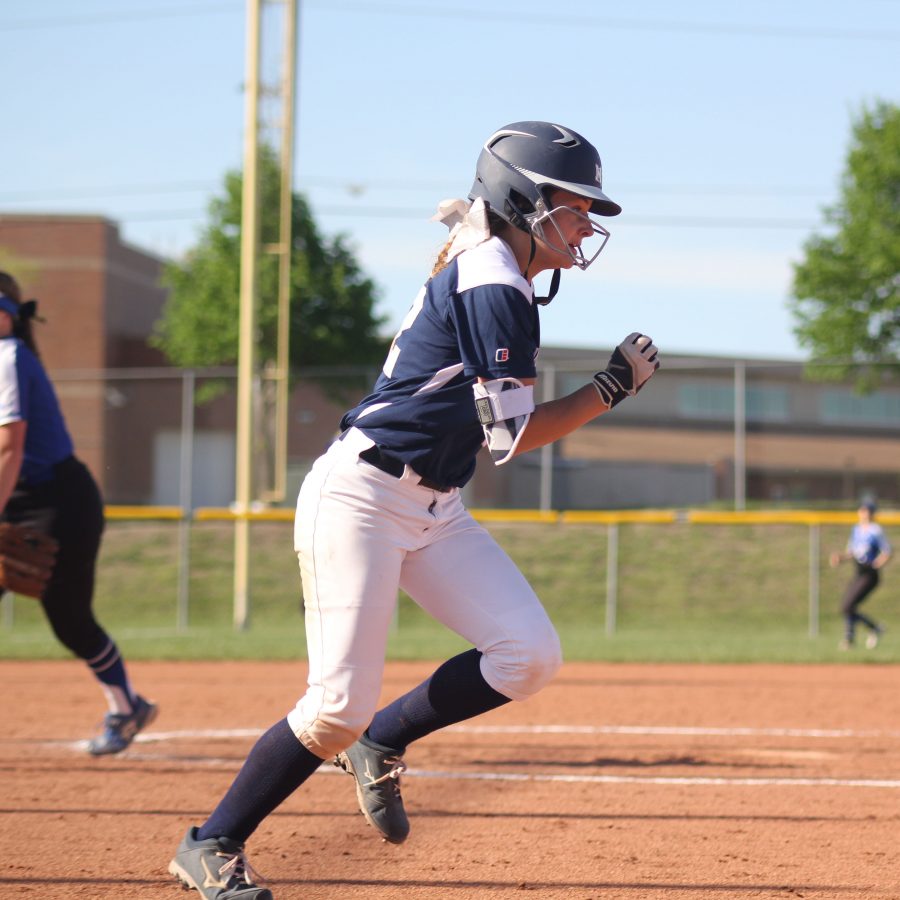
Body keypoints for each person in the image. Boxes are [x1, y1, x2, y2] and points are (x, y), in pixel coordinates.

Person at [168, 121, 660, 899]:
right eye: (574, 205)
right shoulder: (495, 280)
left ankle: (384, 741)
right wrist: (609, 390)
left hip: (434, 503)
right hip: (362, 496)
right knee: (332, 707)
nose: (586, 224)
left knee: (527, 655)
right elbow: (514, 434)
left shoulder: (500, 270)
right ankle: (211, 842)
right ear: (523, 202)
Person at [0, 271, 157, 754]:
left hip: (58, 501)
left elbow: (11, 445)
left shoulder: (7, 357)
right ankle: (129, 705)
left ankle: (126, 707)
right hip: (21, 496)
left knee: (69, 618)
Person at [830, 499, 891, 650]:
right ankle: (866, 632)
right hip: (858, 572)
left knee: (848, 606)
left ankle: (862, 633)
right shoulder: (856, 529)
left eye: (868, 511)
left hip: (869, 574)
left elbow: (887, 551)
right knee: (848, 606)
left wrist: (878, 563)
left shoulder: (875, 530)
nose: (864, 513)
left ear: (872, 513)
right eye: (862, 510)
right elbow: (853, 551)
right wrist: (841, 558)